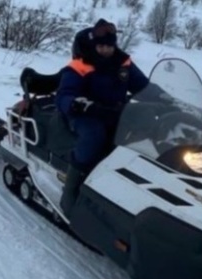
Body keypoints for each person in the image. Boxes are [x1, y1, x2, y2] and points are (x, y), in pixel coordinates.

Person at [56, 19, 150, 216]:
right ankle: (71, 192)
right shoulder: (80, 64)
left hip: (114, 112)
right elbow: (64, 94)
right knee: (94, 136)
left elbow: (143, 86)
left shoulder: (123, 63)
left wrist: (165, 98)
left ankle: (130, 187)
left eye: (109, 46)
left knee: (142, 133)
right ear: (94, 45)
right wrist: (76, 103)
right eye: (101, 46)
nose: (105, 50)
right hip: (85, 114)